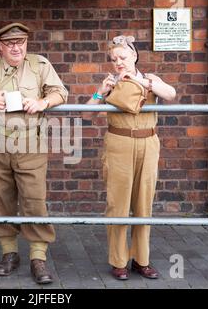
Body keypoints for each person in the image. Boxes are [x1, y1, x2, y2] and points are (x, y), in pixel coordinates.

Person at [0, 23, 68, 284]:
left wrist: (42, 102)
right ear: (1, 46)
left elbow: (60, 92)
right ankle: (9, 253)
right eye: (10, 43)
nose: (16, 47)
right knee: (0, 201)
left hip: (31, 145)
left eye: (21, 42)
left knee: (34, 200)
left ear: (27, 43)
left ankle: (38, 256)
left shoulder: (40, 66)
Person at [84, 35, 176, 280]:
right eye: (114, 59)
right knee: (118, 204)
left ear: (134, 56)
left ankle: (141, 260)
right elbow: (86, 114)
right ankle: (118, 261)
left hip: (148, 142)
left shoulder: (149, 79)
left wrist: (141, 81)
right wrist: (99, 92)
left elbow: (170, 94)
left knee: (144, 204)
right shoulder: (110, 82)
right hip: (119, 143)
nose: (118, 62)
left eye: (123, 57)